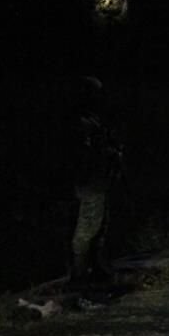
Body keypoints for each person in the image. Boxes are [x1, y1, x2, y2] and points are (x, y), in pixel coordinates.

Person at [67, 76, 122, 284]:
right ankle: (79, 273)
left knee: (99, 225)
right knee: (86, 228)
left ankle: (95, 266)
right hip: (89, 181)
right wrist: (108, 153)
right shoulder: (80, 122)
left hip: (98, 180)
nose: (99, 98)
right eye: (95, 93)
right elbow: (84, 153)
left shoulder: (93, 120)